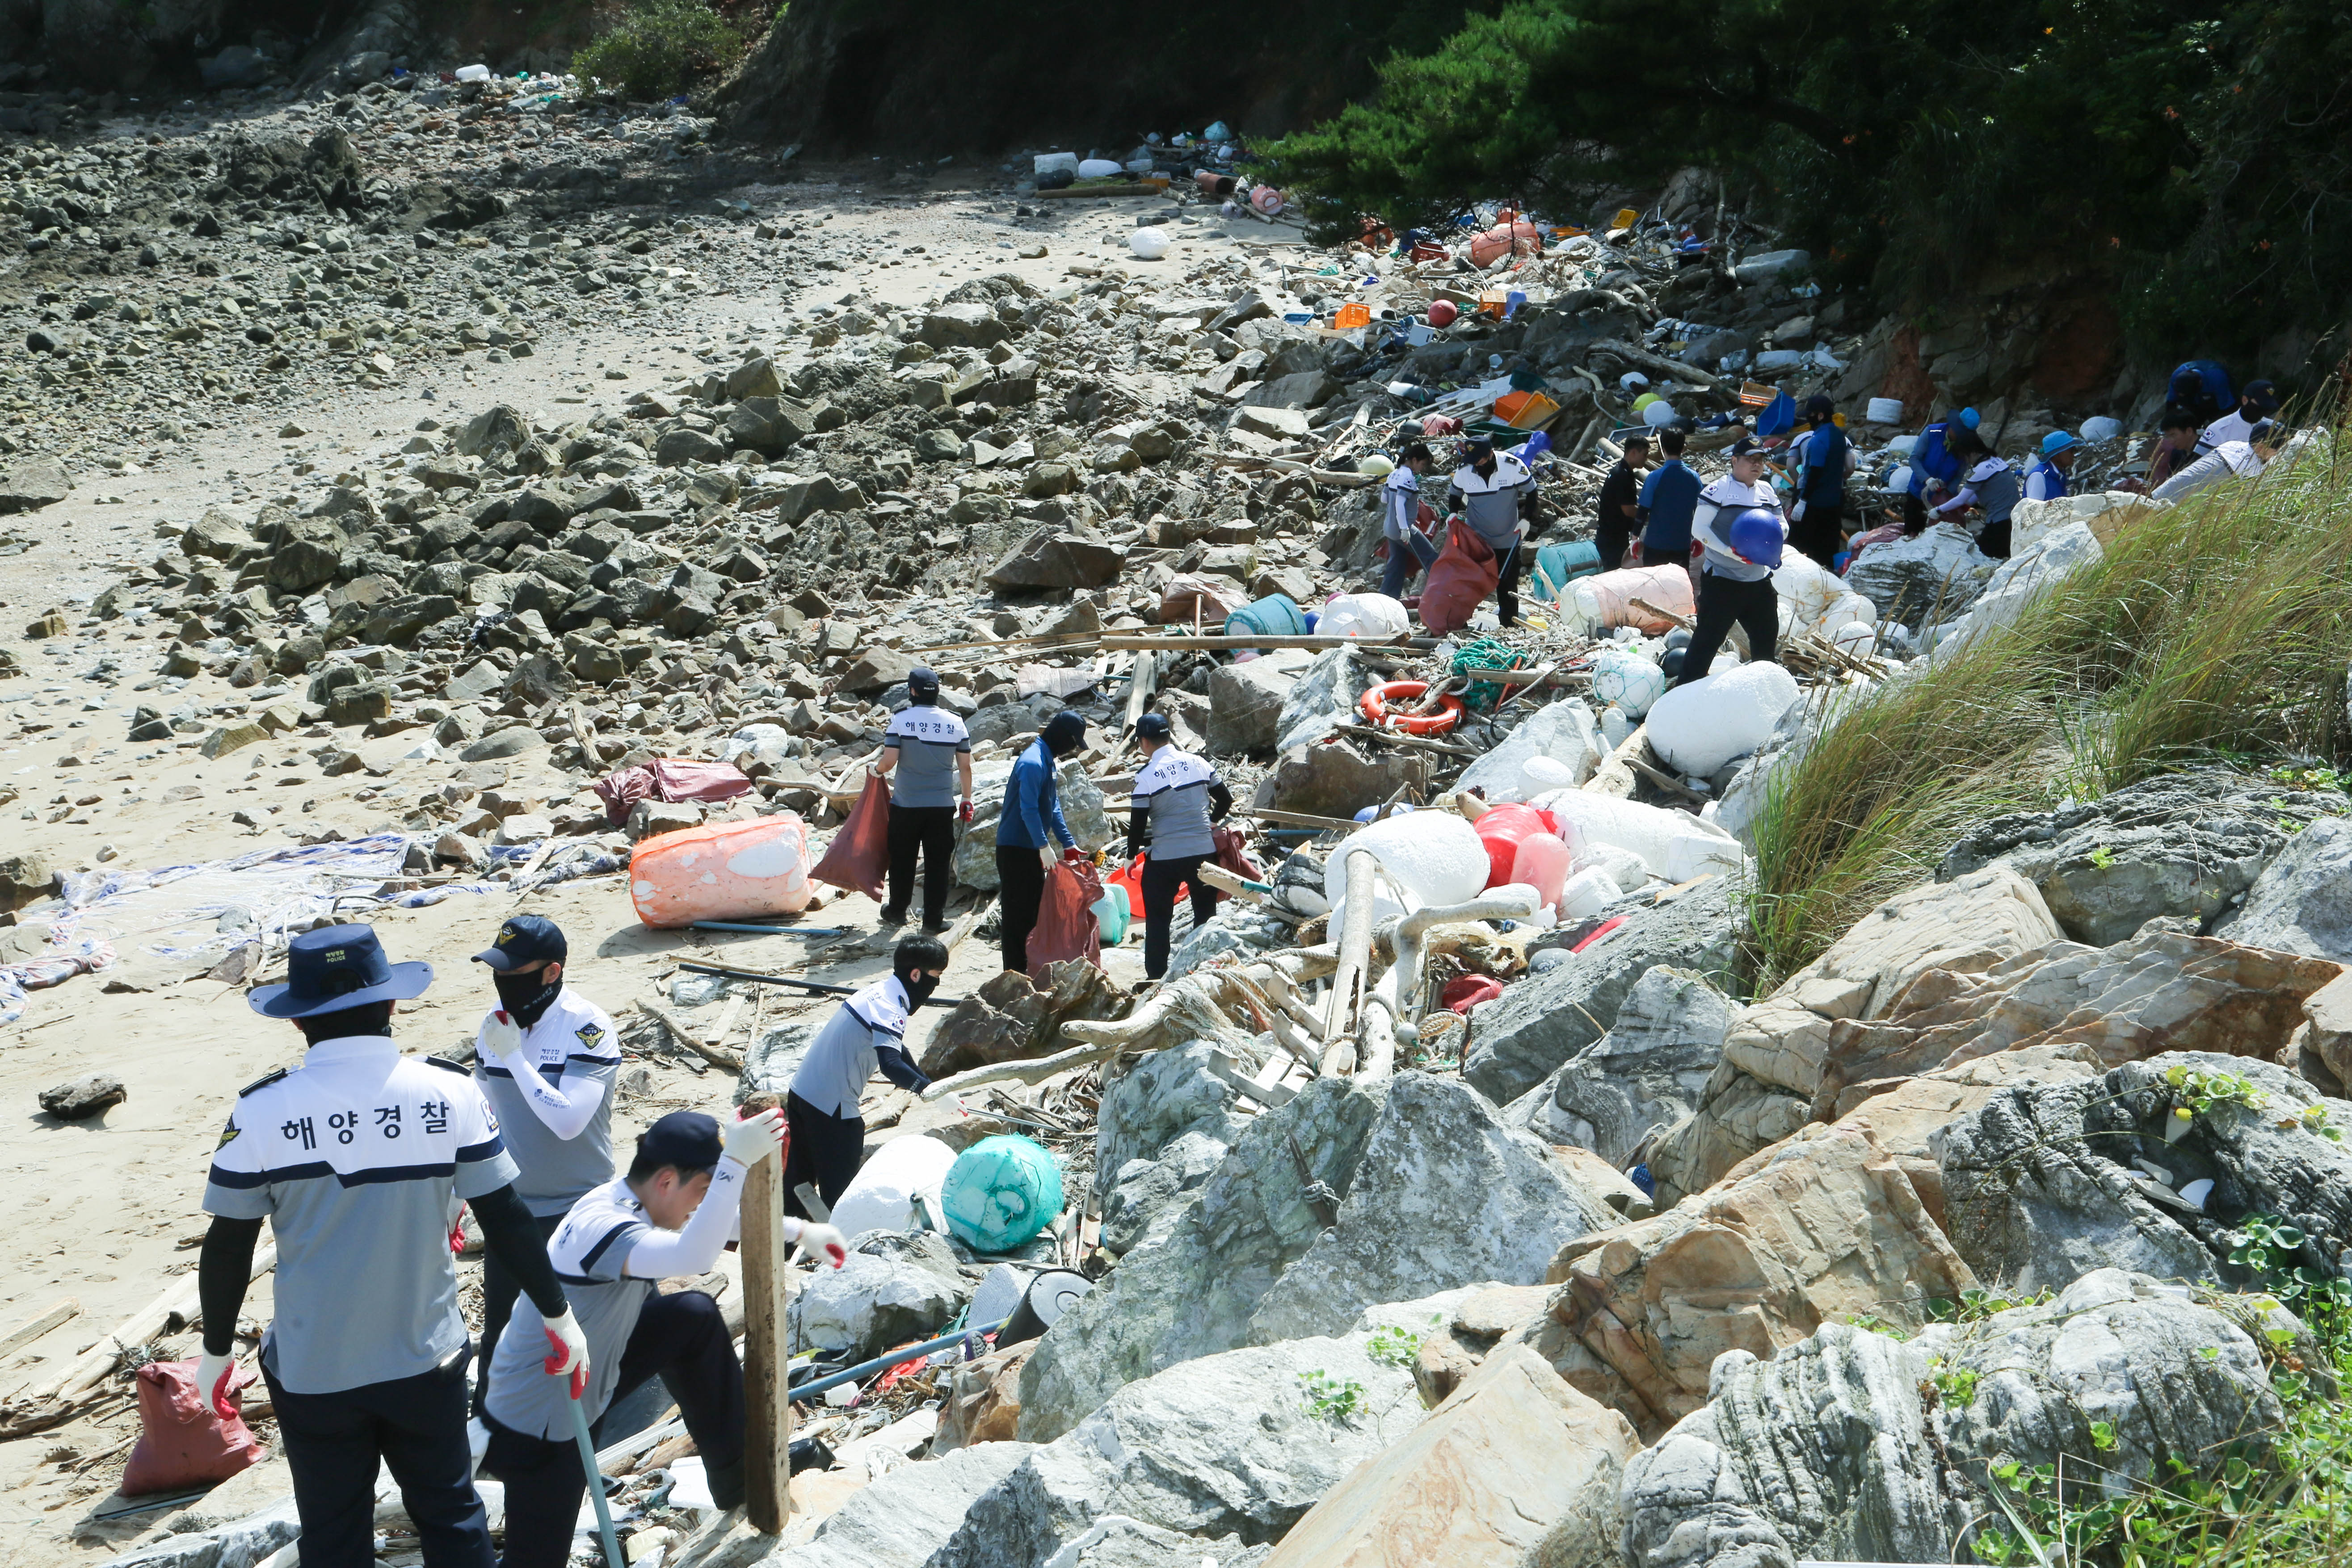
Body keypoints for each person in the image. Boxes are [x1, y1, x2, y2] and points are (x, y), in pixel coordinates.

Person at [197, 925, 586, 1568]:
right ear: (391, 1004)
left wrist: (215, 1352)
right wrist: (558, 1316)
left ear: (297, 1022)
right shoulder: (448, 1092)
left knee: (333, 1533)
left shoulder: (262, 1113)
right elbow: (507, 1218)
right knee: (451, 1514)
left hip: (314, 1369)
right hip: (424, 1360)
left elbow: (228, 1246)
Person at [482, 1110, 845, 1568]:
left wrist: (800, 1230)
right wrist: (735, 1159)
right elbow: (695, 1251)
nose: (701, 1205)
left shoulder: (632, 1198)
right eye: (700, 1191)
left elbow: (709, 1225)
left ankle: (738, 1476)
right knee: (537, 1557)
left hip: (593, 1363)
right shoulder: (603, 1224)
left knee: (691, 1316)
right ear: (668, 1180)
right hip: (543, 1406)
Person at [466, 915, 619, 1424]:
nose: (504, 982)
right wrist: (455, 1199)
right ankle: (487, 1435)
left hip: (580, 1207)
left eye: (516, 971)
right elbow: (480, 1115)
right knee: (502, 1331)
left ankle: (609, 1427)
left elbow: (569, 1122)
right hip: (512, 1208)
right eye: (498, 970)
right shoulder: (496, 1024)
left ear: (551, 972)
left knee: (595, 1327)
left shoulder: (586, 1026)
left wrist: (517, 1061)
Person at [782, 933, 944, 1218]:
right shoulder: (890, 1006)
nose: (936, 985)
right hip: (829, 1106)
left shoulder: (880, 991)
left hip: (801, 1093)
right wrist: (924, 1090)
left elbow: (895, 1047)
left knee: (799, 1183)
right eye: (935, 977)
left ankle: (788, 1246)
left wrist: (931, 1084)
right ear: (916, 975)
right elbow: (891, 1065)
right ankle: (842, 1253)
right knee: (843, 1195)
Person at [1126, 712, 1235, 981]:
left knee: (1159, 919)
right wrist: (1211, 822)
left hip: (1165, 859)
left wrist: (1130, 857)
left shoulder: (1146, 777)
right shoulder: (1199, 763)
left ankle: (1156, 978)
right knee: (1205, 914)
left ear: (1144, 742)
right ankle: (1203, 970)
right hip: (1203, 853)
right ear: (1168, 736)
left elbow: (1138, 825)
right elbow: (1226, 799)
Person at [1677, 438, 1787, 686]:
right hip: (1723, 582)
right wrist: (1730, 551)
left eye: (1760, 460)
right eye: (1750, 459)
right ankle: (1681, 695)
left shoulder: (1766, 491)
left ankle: (1764, 693)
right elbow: (1699, 528)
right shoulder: (1719, 490)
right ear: (1734, 461)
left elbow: (1782, 523)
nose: (1756, 465)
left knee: (1765, 643)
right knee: (1706, 643)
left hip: (1758, 582)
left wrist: (1776, 538)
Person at [871, 665, 972, 934]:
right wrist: (967, 798)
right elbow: (965, 767)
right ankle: (933, 920)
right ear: (937, 691)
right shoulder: (955, 722)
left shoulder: (901, 720)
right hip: (941, 806)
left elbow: (890, 761)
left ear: (912, 691)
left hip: (906, 805)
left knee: (902, 860)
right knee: (938, 865)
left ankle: (897, 912)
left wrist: (875, 771)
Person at [994, 709, 1089, 975]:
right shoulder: (1033, 763)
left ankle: (1028, 969)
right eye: (1073, 743)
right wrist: (1044, 846)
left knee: (1033, 913)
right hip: (1015, 850)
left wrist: (1067, 842)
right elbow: (1028, 811)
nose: (1072, 750)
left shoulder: (1047, 760)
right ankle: (1012, 975)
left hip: (1030, 849)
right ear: (1062, 737)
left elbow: (1052, 804)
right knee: (1016, 918)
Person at [1445, 436, 1545, 626]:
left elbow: (1532, 492)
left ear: (1490, 454)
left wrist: (1526, 519)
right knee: (1469, 583)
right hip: (1477, 541)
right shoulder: (1464, 471)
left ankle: (1509, 626)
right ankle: (1460, 624)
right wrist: (1452, 514)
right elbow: (1455, 494)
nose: (1476, 464)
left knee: (1507, 585)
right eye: (1472, 460)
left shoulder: (1513, 466)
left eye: (1479, 460)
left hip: (1509, 538)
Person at [1785, 395, 1855, 569]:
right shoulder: (1839, 436)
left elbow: (1815, 472)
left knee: (1797, 549)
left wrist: (1802, 501)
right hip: (1834, 501)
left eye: (1810, 415)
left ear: (1821, 416)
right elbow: (1849, 466)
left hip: (1813, 503)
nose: (1807, 419)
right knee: (1827, 549)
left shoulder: (1819, 440)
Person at [1928, 430, 2022, 557]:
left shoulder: (1981, 471)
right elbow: (1985, 491)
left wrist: (1938, 511)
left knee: (1984, 556)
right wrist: (1965, 505)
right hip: (2013, 516)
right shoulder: (1997, 461)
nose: (1966, 462)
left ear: (1972, 453)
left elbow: (1960, 500)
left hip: (1999, 521)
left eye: (1965, 457)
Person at [2152, 420, 2285, 502]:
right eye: (2277, 449)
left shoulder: (2233, 445)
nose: (2280, 453)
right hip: (2173, 505)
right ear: (2261, 448)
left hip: (2161, 497)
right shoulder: (2251, 469)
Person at [1377, 441, 1439, 600]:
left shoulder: (1393, 474)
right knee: (1431, 558)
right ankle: (1441, 596)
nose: (1422, 469)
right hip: (1403, 529)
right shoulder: (1408, 478)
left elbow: (1384, 499)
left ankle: (1387, 599)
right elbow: (1400, 502)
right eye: (1423, 464)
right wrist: (1405, 528)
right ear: (1414, 460)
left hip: (1389, 527)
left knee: (1396, 564)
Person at [1635, 426, 1701, 576]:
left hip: (1655, 545)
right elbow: (1700, 511)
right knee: (1678, 587)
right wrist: (1698, 538)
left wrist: (1635, 538)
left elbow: (1643, 510)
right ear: (1683, 448)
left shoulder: (1654, 477)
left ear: (1663, 448)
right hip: (1682, 545)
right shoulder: (1693, 477)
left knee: (1654, 586)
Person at [1902, 407, 1980, 533]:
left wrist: (1947, 494)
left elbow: (1960, 473)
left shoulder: (1966, 446)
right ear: (1953, 426)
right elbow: (1914, 459)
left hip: (1942, 498)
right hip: (1917, 491)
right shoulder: (1932, 432)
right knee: (1912, 531)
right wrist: (1927, 480)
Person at [1593, 433, 1650, 570]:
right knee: (1615, 575)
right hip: (1613, 539)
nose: (1646, 459)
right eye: (1645, 454)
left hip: (1609, 536)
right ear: (1634, 452)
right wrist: (1649, 517)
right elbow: (1629, 509)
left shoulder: (1620, 471)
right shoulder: (1623, 475)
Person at [2196, 378, 2280, 454]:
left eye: (2267, 406)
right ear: (2245, 400)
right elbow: (2199, 464)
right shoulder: (2219, 429)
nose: (2263, 409)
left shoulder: (2273, 428)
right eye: (2261, 405)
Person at [2024, 431, 2079, 502]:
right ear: (2056, 454)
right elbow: (2033, 510)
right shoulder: (2039, 476)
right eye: (2071, 451)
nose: (2073, 455)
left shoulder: (2060, 473)